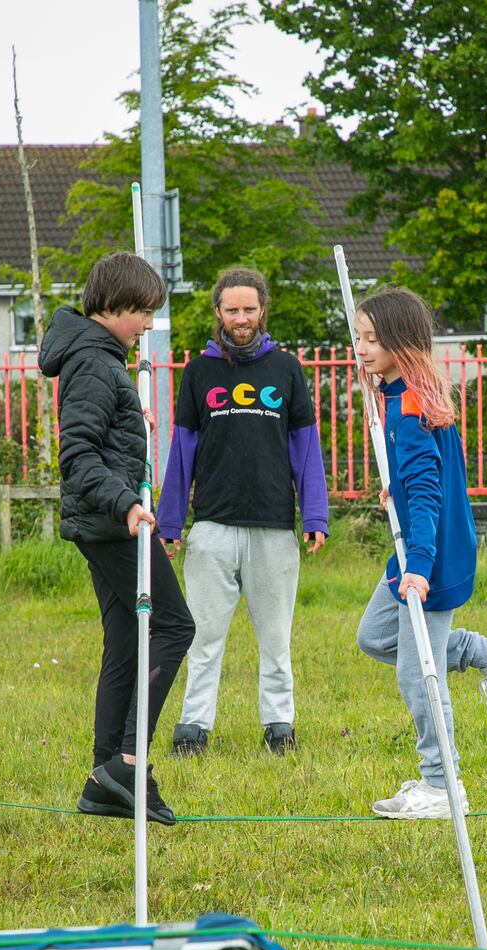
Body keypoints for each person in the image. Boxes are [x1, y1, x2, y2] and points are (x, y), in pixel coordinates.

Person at [353, 287, 487, 820]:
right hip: (418, 549)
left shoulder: (410, 405)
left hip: (432, 556)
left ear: (401, 342)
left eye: (373, 340)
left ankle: (442, 786)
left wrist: (420, 569)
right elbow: (422, 478)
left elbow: (428, 491)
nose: (361, 348)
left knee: (416, 672)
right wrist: (395, 492)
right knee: (375, 637)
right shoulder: (400, 389)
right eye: (359, 337)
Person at [39, 252, 195, 825]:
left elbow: (102, 436)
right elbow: (76, 456)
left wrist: (135, 425)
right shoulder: (93, 364)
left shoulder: (98, 358)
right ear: (111, 307)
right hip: (113, 523)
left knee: (128, 637)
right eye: (142, 313)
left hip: (104, 519)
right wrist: (128, 502)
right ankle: (129, 761)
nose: (149, 325)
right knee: (175, 625)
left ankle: (105, 776)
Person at [156, 266, 329, 756]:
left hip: (274, 530)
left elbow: (306, 449)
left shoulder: (287, 370)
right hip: (211, 529)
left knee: (276, 640)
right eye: (231, 309)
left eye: (249, 309)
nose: (240, 318)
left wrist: (314, 515)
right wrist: (170, 522)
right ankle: (193, 728)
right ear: (218, 313)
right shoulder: (199, 373)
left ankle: (279, 727)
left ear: (262, 310)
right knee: (204, 639)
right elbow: (182, 452)